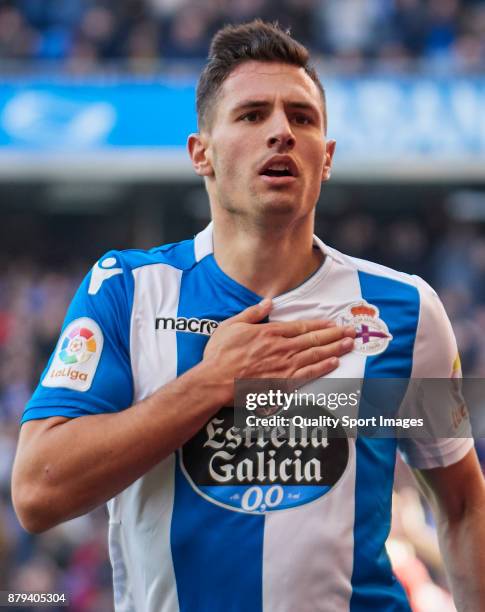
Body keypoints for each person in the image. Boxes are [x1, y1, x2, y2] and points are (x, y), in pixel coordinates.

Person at [12, 20, 485, 612]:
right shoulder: (129, 291)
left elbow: (464, 503)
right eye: (252, 114)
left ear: (327, 158)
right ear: (200, 153)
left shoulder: (407, 310)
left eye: (302, 118)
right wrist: (210, 385)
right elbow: (37, 492)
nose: (282, 132)